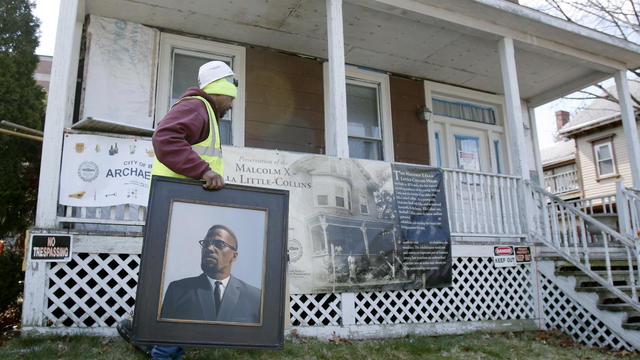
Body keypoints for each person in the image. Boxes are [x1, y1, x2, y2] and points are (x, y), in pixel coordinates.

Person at [117, 60, 237, 360]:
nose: (231, 105)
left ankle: (147, 332)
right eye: (230, 97)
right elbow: (164, 138)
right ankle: (162, 349)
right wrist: (203, 171)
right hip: (176, 209)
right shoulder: (197, 107)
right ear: (218, 89)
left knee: (179, 277)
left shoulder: (204, 111)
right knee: (185, 278)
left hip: (182, 208)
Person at [160, 224, 261, 323]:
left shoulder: (255, 297)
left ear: (234, 256)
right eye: (205, 244)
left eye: (219, 244)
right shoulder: (177, 290)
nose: (209, 248)